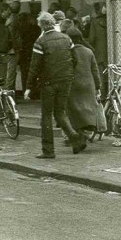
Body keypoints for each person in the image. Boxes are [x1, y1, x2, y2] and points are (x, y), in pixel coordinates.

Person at [24, 11, 87, 158]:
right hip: (65, 80)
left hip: (48, 82)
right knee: (60, 112)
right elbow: (75, 59)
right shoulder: (66, 38)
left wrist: (28, 87)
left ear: (42, 25)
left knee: (46, 115)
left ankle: (48, 150)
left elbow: (34, 67)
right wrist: (69, 73)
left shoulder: (40, 42)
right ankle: (75, 138)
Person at [65, 27, 102, 138]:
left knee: (74, 109)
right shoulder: (88, 51)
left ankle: (77, 132)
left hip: (73, 84)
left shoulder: (68, 52)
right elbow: (95, 71)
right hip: (88, 84)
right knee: (88, 108)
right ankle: (88, 129)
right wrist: (98, 86)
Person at [88, 2, 109, 100]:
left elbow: (92, 39)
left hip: (100, 53)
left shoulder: (95, 22)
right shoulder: (110, 20)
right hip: (110, 53)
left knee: (100, 75)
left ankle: (103, 97)